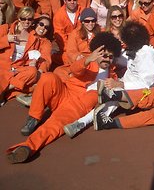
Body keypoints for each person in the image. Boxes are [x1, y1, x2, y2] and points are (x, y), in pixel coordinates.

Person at [6, 32, 122, 164]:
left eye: (110, 57)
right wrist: (89, 58)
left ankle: (27, 147)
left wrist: (118, 84)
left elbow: (124, 88)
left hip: (77, 107)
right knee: (48, 77)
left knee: (52, 125)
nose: (107, 59)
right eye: (104, 55)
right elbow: (75, 68)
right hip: (64, 93)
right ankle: (33, 118)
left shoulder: (112, 77)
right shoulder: (89, 62)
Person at [63, 22, 154, 138]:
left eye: (125, 40)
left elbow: (146, 83)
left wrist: (121, 84)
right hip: (124, 83)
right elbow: (117, 58)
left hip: (137, 90)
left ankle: (83, 122)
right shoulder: (134, 50)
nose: (123, 43)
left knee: (112, 96)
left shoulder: (147, 53)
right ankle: (83, 122)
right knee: (108, 94)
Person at [0, 9, 52, 105]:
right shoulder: (6, 29)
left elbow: (45, 59)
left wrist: (38, 69)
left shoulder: (34, 38)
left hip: (18, 69)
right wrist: (6, 39)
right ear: (19, 18)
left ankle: (4, 90)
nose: (26, 21)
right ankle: (11, 91)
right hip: (3, 66)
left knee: (32, 72)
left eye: (30, 19)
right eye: (23, 18)